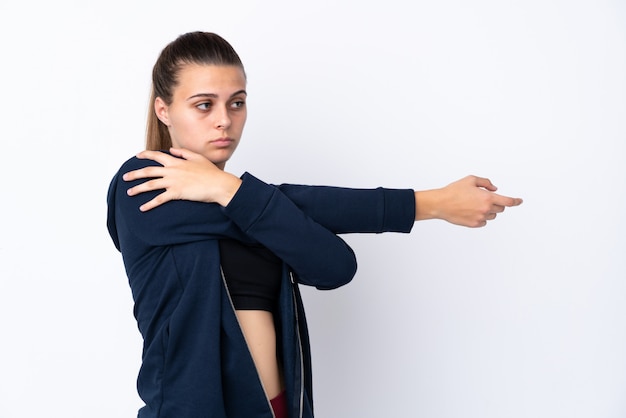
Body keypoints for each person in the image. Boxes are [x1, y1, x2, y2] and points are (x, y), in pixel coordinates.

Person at [106, 31, 522, 418]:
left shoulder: (251, 205)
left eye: (237, 102)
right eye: (203, 104)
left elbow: (337, 266)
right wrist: (429, 203)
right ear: (164, 110)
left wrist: (228, 190)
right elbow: (291, 205)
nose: (224, 120)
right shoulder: (142, 186)